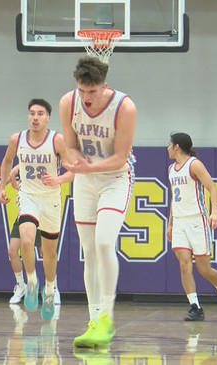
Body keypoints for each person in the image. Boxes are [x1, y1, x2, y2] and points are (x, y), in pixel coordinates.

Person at [59, 56, 136, 347]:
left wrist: (89, 167)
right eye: (82, 90)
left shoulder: (124, 107)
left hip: (115, 179)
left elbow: (119, 157)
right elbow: (68, 146)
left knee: (105, 242)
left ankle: (107, 316)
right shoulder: (68, 102)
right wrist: (76, 160)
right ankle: (93, 320)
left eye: (92, 91)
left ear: (104, 86)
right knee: (89, 252)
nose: (87, 97)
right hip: (86, 182)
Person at [0, 98, 72, 320]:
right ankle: (31, 282)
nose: (35, 117)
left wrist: (58, 179)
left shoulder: (56, 140)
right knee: (27, 241)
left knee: (49, 252)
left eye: (40, 114)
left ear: (48, 118)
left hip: (50, 200)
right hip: (28, 196)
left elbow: (73, 171)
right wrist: (2, 187)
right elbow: (6, 161)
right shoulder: (16, 139)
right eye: (32, 113)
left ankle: (49, 290)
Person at [165, 132, 217, 322]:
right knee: (184, 264)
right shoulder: (171, 168)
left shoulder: (194, 164)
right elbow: (174, 198)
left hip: (197, 220)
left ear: (177, 146)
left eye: (169, 144)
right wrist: (170, 223)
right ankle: (195, 306)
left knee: (204, 269)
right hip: (179, 221)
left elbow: (212, 188)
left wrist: (215, 212)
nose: (167, 148)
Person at [0, 166, 62, 306]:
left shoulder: (51, 156)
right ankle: (21, 286)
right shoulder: (22, 162)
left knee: (46, 252)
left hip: (45, 209)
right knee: (12, 250)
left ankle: (52, 287)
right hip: (26, 211)